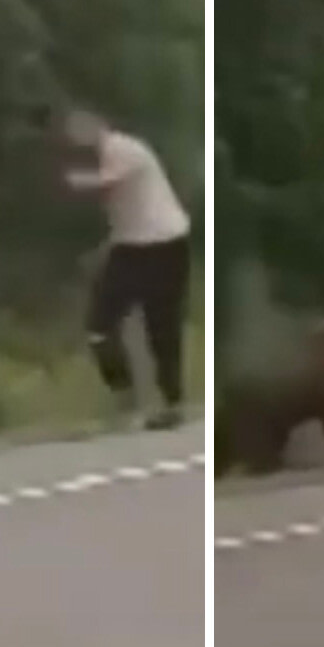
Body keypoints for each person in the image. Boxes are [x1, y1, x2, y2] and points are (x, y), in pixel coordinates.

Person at [60, 107, 193, 430]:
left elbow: (111, 181)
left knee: (162, 327)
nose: (77, 139)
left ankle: (171, 403)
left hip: (165, 244)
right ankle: (125, 395)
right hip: (130, 246)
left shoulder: (122, 148)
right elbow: (125, 208)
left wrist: (76, 182)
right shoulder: (103, 156)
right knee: (99, 326)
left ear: (98, 126)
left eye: (81, 130)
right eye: (72, 134)